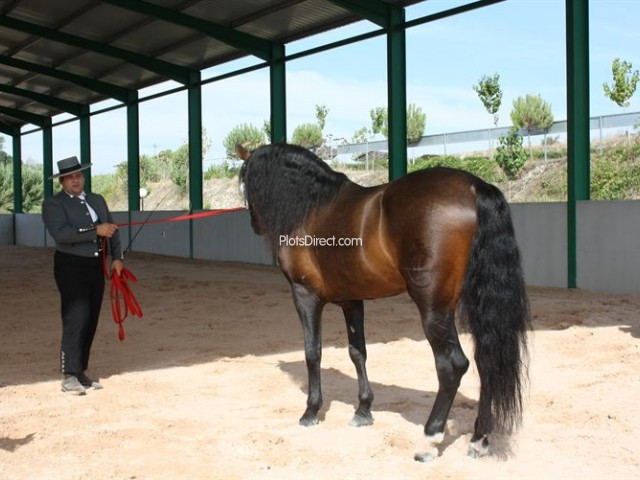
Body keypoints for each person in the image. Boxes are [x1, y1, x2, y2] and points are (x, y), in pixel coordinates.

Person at [42, 156, 124, 395]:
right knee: (76, 316)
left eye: (79, 175)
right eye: (70, 177)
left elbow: (112, 230)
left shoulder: (97, 200)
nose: (76, 180)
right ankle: (69, 375)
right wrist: (94, 231)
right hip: (70, 265)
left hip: (95, 265)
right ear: (62, 181)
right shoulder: (53, 204)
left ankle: (80, 371)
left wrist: (117, 258)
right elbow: (62, 234)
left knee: (91, 318)